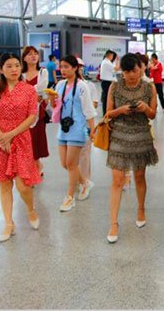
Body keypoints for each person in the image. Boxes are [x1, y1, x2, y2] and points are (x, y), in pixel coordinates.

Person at [0, 53, 41, 242]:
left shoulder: (28, 90)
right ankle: (9, 223)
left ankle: (31, 210)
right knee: (4, 183)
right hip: (0, 141)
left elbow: (32, 117)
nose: (14, 69)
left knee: (23, 184)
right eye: (9, 66)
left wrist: (10, 135)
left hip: (21, 139)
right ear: (1, 69)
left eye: (17, 65)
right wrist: (1, 136)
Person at [104, 54, 158, 243]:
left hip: (141, 135)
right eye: (127, 72)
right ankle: (113, 223)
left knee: (139, 176)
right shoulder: (114, 86)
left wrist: (144, 108)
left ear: (141, 69)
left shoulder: (149, 87)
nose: (131, 75)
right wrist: (120, 111)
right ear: (122, 72)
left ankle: (141, 208)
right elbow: (108, 114)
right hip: (119, 135)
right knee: (117, 180)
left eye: (134, 70)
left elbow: (152, 114)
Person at [49, 55, 96, 212]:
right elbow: (55, 106)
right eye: (61, 67)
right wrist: (51, 99)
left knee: (71, 164)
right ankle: (85, 182)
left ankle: (70, 197)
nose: (63, 70)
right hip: (64, 128)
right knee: (64, 163)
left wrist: (92, 130)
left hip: (77, 128)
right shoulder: (60, 84)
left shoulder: (82, 86)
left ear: (75, 68)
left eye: (67, 67)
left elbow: (89, 109)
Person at [21, 46, 49, 176]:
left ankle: (36, 166)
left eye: (35, 54)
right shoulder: (21, 74)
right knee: (26, 140)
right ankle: (36, 166)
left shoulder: (43, 72)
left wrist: (26, 91)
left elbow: (42, 87)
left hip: (38, 112)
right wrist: (31, 94)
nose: (33, 56)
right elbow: (17, 90)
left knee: (35, 139)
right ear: (24, 58)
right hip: (23, 112)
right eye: (30, 54)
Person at [77, 57, 98, 181]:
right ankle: (77, 179)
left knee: (84, 154)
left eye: (80, 66)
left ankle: (85, 181)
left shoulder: (90, 85)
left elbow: (94, 103)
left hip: (85, 123)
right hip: (70, 125)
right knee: (72, 156)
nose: (79, 69)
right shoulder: (63, 85)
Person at [100, 50, 119, 115]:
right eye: (113, 56)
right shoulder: (106, 62)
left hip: (108, 82)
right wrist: (118, 60)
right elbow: (117, 68)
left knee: (108, 98)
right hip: (107, 82)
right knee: (106, 98)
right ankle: (105, 113)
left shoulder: (108, 62)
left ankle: (107, 112)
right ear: (110, 55)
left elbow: (114, 71)